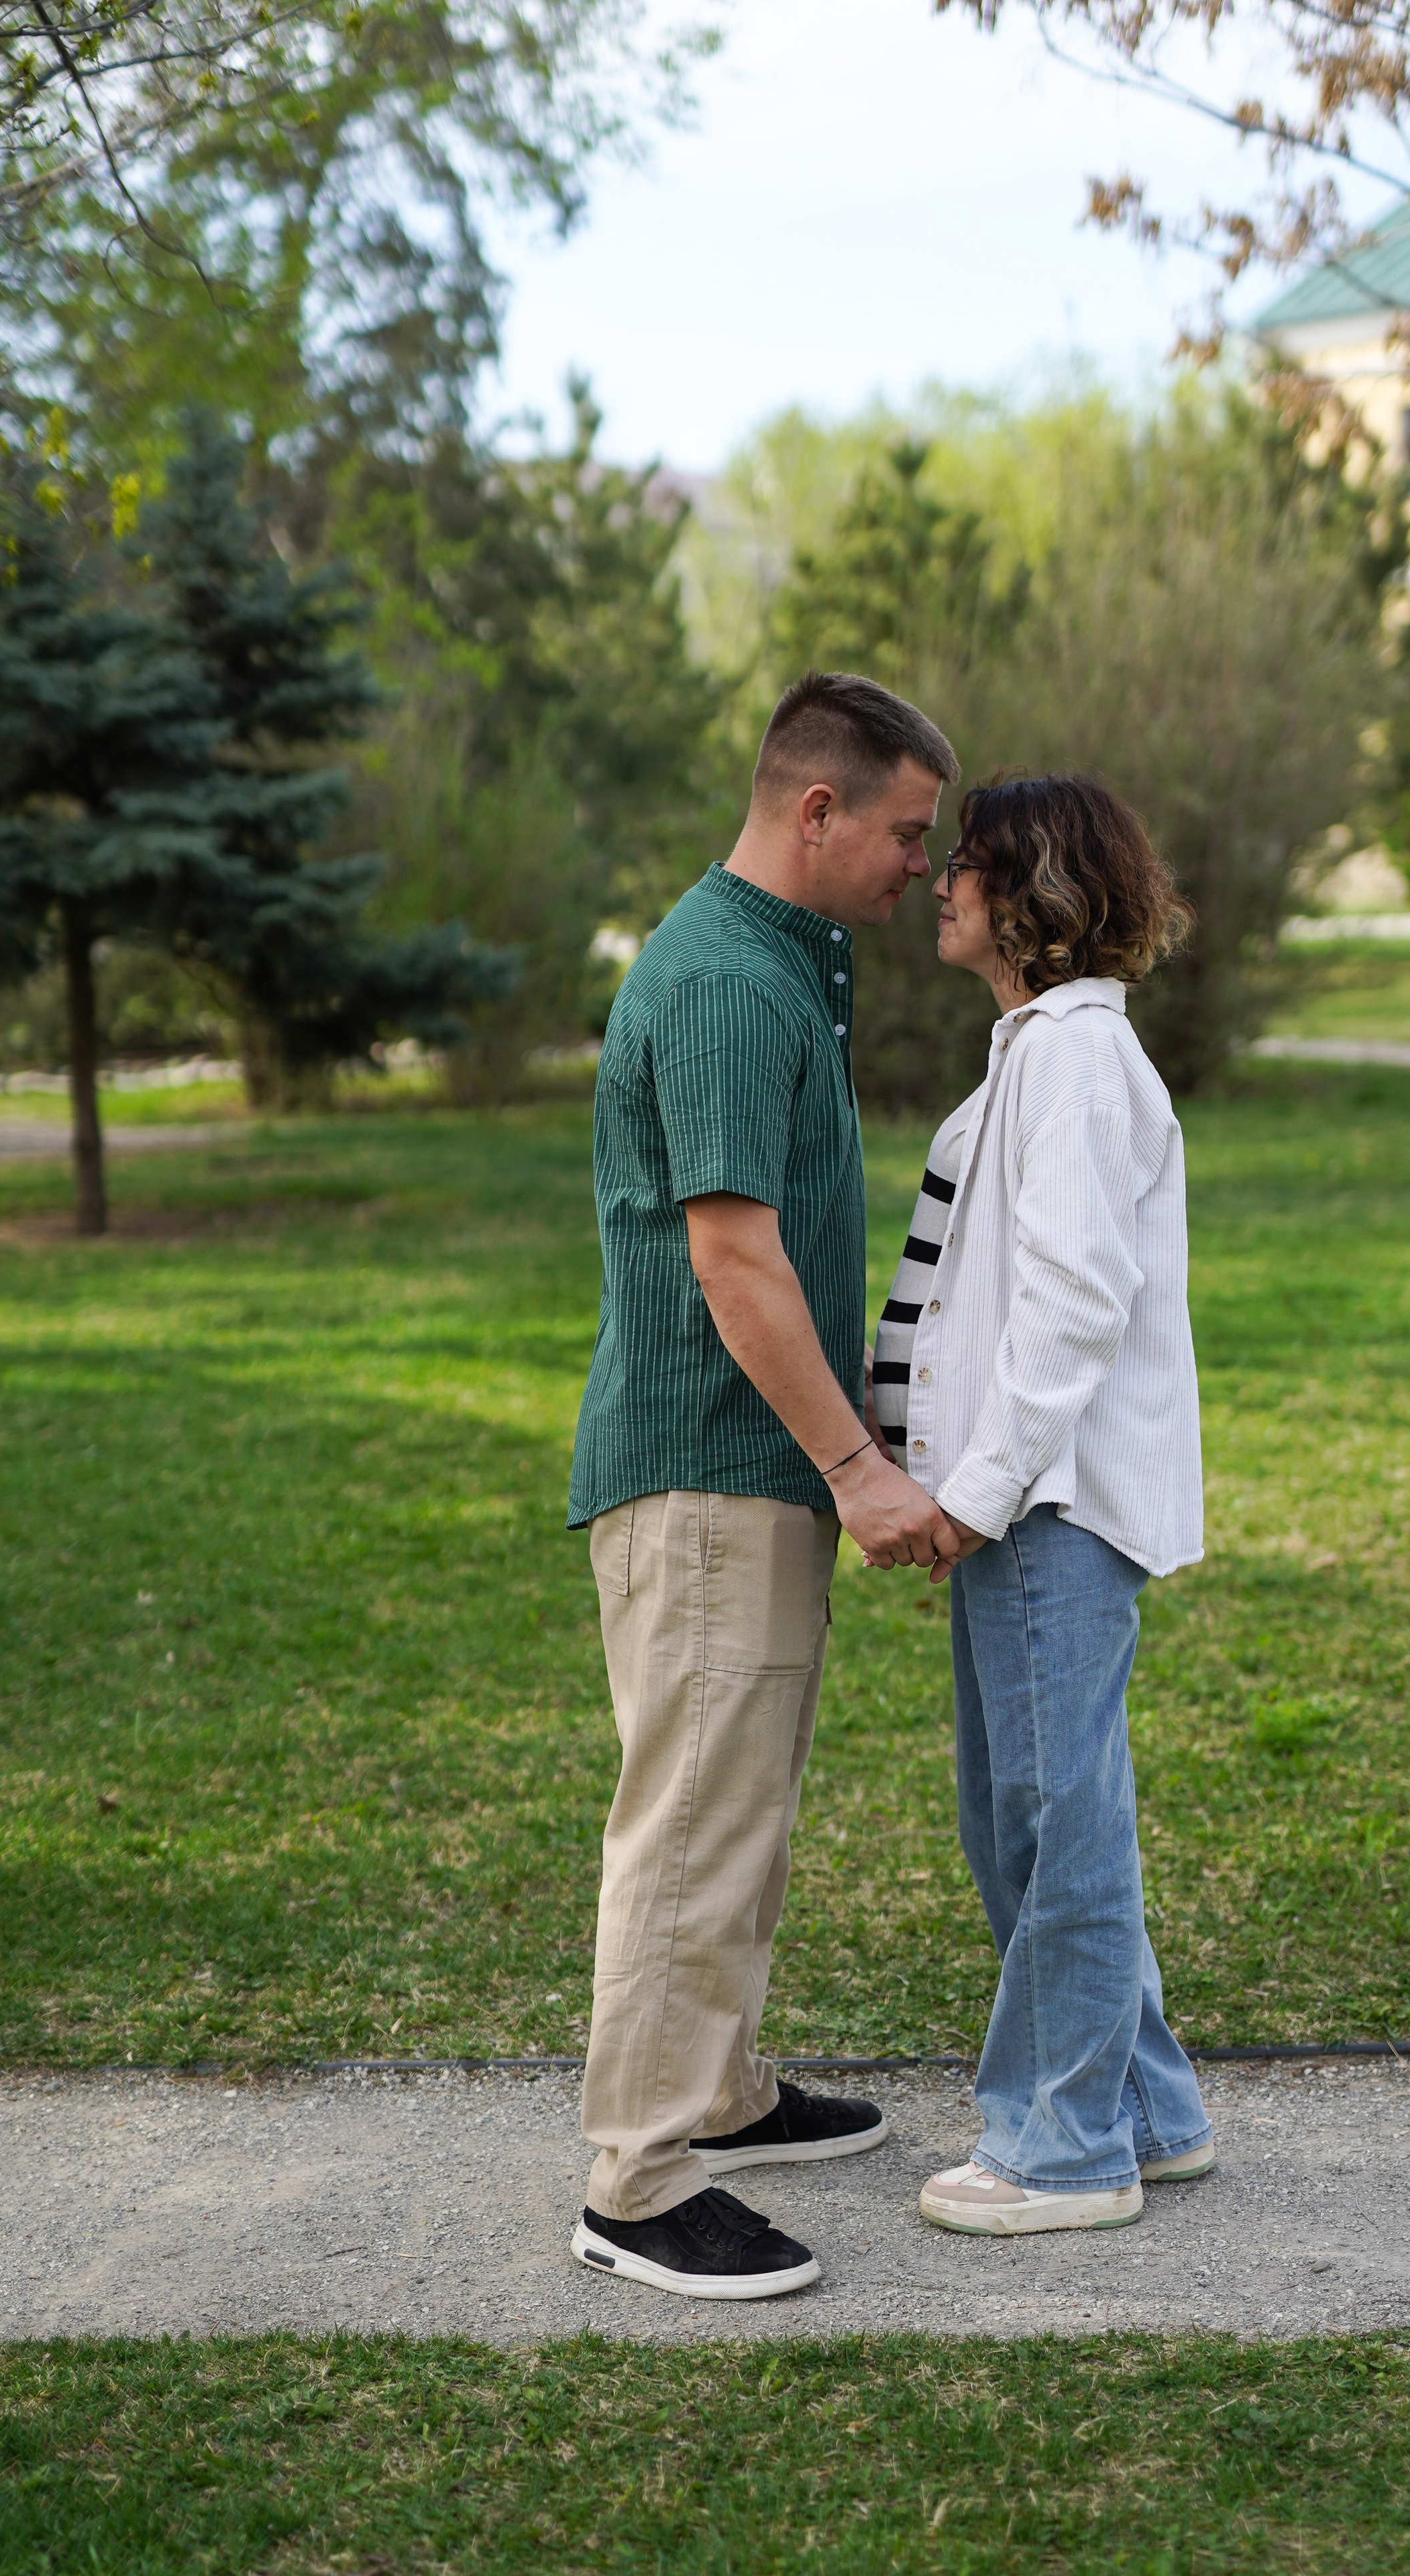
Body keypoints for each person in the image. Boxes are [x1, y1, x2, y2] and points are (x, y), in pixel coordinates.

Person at [566, 670, 969, 2300]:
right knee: (691, 1817)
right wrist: (856, 1467)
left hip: (746, 1471)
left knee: (741, 1805)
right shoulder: (728, 985)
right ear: (817, 810)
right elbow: (732, 1267)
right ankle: (639, 2182)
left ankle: (715, 2095)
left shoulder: (766, 960)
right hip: (714, 1469)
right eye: (905, 832)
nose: (925, 872)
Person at [868, 773, 1216, 2237]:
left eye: (965, 864)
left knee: (1052, 1827)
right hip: (1017, 1505)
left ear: (1031, 895)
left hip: (1044, 1508)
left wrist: (976, 1493)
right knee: (1025, 1820)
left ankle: (1065, 2149)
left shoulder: (1071, 1061)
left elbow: (1071, 1304)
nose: (938, 884)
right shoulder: (1038, 1052)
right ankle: (1147, 2108)